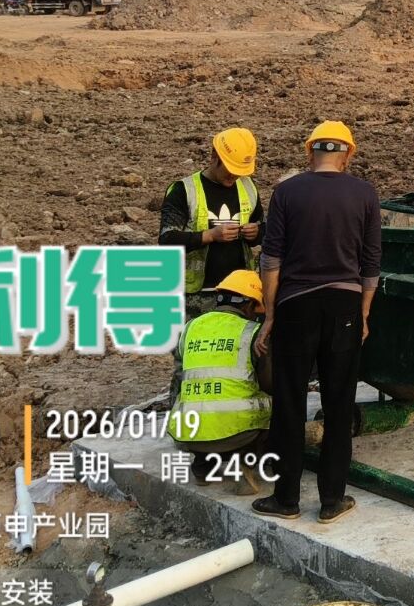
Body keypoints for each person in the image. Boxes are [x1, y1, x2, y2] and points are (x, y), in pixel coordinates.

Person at [251, 120, 381, 524]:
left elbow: (271, 260)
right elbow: (371, 263)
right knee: (338, 402)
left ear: (310, 152)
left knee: (289, 402)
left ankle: (286, 499)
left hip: (295, 306)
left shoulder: (287, 192)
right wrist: (363, 312)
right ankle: (332, 500)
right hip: (344, 306)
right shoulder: (365, 194)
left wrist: (271, 314)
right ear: (348, 155)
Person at [168, 270, 272, 493]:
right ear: (249, 305)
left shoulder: (190, 328)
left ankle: (202, 466)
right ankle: (246, 461)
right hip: (239, 435)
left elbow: (178, 378)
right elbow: (269, 383)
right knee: (275, 403)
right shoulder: (253, 332)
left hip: (188, 434)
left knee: (200, 403)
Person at [160, 127, 264, 305]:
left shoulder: (248, 187)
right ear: (214, 156)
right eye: (230, 168)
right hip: (194, 297)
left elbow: (266, 230)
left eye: (239, 171)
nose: (234, 175)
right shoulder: (184, 190)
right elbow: (167, 239)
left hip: (238, 293)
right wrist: (210, 235)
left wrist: (256, 233)